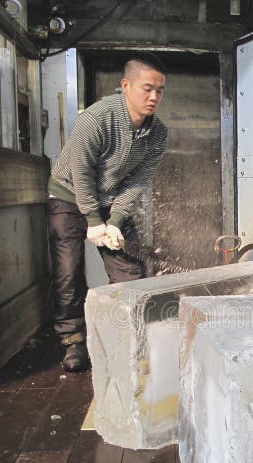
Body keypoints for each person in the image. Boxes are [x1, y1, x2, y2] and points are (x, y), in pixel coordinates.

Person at [47, 53, 168, 372]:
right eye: (147, 88)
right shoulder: (96, 118)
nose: (154, 96)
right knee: (68, 269)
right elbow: (81, 169)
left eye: (159, 90)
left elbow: (139, 179)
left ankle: (133, 338)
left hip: (111, 200)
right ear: (125, 85)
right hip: (69, 194)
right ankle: (72, 342)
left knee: (129, 269)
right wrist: (92, 220)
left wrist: (113, 221)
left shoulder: (158, 133)